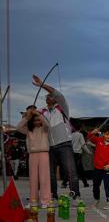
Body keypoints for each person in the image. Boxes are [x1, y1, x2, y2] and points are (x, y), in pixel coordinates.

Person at [32, 74, 81, 203]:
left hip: (64, 143)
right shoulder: (42, 112)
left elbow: (56, 93)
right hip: (49, 146)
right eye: (47, 96)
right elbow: (31, 120)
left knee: (70, 170)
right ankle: (52, 195)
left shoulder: (62, 107)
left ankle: (75, 195)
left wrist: (42, 85)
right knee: (50, 173)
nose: (49, 96)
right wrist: (31, 113)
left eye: (51, 95)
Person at [17, 106, 51, 207]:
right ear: (31, 121)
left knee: (44, 178)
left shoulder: (44, 129)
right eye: (35, 120)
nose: (37, 122)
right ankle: (33, 201)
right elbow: (18, 127)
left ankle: (45, 201)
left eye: (38, 120)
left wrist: (38, 114)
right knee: (33, 179)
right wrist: (27, 117)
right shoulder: (28, 130)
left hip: (44, 154)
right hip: (32, 154)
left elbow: (47, 124)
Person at [87, 126, 109, 209]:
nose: (108, 136)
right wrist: (93, 132)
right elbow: (89, 137)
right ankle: (96, 199)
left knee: (107, 185)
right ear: (103, 134)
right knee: (95, 186)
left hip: (106, 169)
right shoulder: (98, 140)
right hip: (97, 168)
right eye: (106, 134)